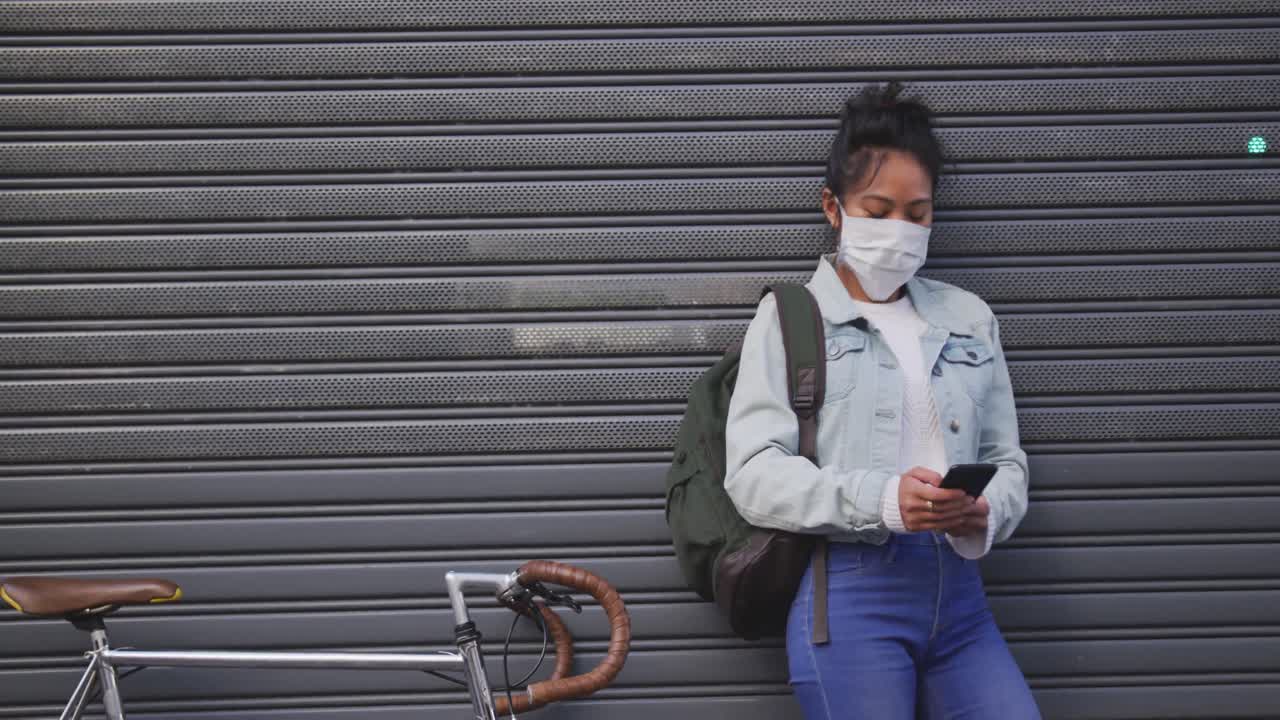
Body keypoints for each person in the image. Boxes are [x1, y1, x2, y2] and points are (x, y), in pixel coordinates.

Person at [722, 80, 1042, 719]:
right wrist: (883, 500)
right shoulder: (791, 317)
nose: (899, 230)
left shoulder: (968, 318)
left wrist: (985, 510)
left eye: (917, 214)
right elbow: (752, 474)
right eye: (877, 209)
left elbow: (1008, 460)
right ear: (833, 208)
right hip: (849, 595)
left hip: (960, 599)